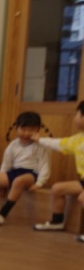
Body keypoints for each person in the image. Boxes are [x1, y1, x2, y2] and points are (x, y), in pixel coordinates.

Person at [0, 111, 50, 225]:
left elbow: (44, 165)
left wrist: (40, 183)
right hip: (14, 172)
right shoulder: (13, 144)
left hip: (31, 174)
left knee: (18, 181)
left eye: (31, 130)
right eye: (23, 129)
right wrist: (1, 184)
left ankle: (2, 214)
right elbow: (6, 164)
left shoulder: (40, 145)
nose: (26, 133)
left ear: (37, 130)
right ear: (17, 128)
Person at [33, 100, 84, 238]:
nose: (75, 118)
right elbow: (59, 143)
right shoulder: (78, 139)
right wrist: (40, 140)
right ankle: (57, 222)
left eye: (77, 114)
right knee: (57, 189)